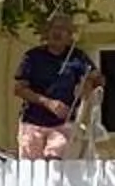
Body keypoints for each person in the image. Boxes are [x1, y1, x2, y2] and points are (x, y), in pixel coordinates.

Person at [16, 11, 99, 160]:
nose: (58, 32)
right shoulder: (33, 57)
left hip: (63, 124)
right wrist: (48, 103)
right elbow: (19, 89)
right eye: (54, 28)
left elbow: (97, 78)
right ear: (47, 33)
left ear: (69, 36)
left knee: (55, 163)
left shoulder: (77, 57)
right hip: (32, 123)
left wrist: (88, 84)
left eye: (63, 29)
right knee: (31, 170)